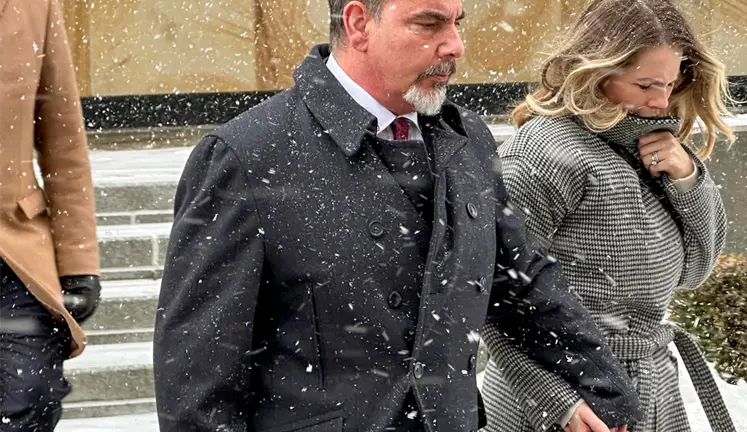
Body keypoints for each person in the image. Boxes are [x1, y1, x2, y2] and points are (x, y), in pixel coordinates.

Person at [153, 0, 643, 431]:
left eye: (456, 23)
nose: (454, 45)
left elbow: (520, 282)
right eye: (429, 24)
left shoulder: (468, 140)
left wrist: (607, 391)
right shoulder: (248, 155)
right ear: (358, 24)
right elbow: (197, 379)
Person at [481, 0, 736, 431]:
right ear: (596, 73)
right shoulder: (543, 153)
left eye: (670, 83)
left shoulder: (655, 147)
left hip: (651, 389)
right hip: (562, 400)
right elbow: (490, 294)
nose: (661, 100)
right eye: (645, 85)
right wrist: (559, 403)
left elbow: (696, 270)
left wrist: (689, 180)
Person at [0, 0, 102, 429]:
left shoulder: (34, 5)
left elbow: (63, 143)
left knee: (30, 393)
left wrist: (79, 262)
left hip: (14, 253)